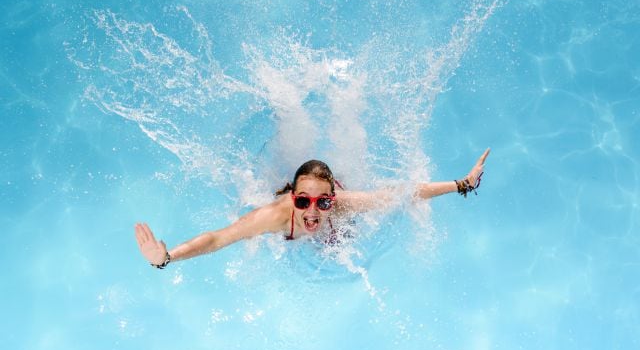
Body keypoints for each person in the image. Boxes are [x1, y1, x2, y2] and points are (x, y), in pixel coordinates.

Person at [135, 148, 490, 268]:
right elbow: (217, 238)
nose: (313, 212)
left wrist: (462, 184)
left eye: (323, 202)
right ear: (292, 198)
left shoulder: (342, 206)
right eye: (303, 201)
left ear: (332, 198)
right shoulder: (274, 217)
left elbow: (404, 192)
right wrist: (167, 258)